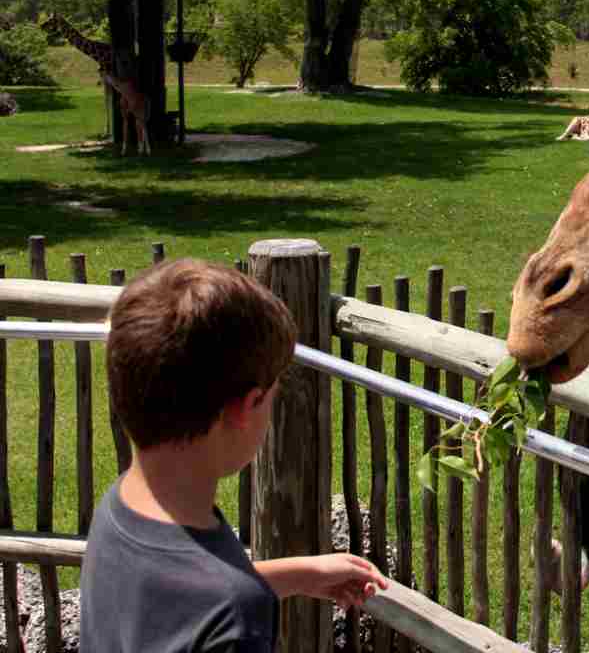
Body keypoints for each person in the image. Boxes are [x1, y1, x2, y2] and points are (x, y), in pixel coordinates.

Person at [82, 258, 387, 652]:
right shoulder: (236, 619)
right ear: (248, 407)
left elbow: (176, 598)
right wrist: (250, 592)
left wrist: (297, 575)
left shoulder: (120, 509)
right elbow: (210, 602)